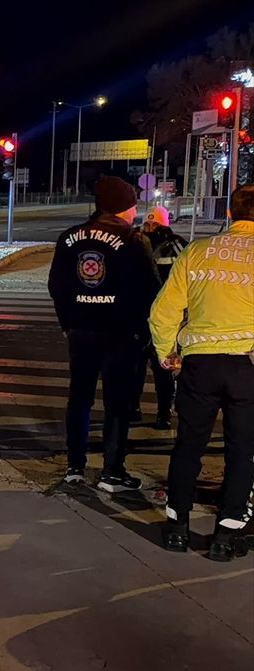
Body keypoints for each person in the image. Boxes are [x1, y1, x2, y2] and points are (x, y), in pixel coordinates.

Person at [151, 184, 254, 561]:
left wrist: (167, 353)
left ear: (229, 214)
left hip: (199, 363)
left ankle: (177, 526)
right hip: (247, 364)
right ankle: (226, 534)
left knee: (188, 445)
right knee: (242, 451)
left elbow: (163, 311)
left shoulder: (197, 253)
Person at [48, 176, 162, 491]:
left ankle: (75, 466)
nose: (135, 211)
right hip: (121, 333)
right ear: (123, 207)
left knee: (80, 398)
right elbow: (151, 289)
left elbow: (56, 286)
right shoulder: (132, 239)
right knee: (117, 403)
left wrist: (67, 323)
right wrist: (143, 328)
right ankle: (113, 470)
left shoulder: (69, 237)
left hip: (82, 331)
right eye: (133, 205)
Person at [132, 206, 188, 429]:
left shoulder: (176, 245)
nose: (150, 227)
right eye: (148, 223)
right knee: (136, 366)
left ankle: (163, 412)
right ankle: (134, 408)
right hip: (139, 315)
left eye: (155, 224)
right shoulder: (135, 243)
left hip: (165, 317)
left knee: (162, 367)